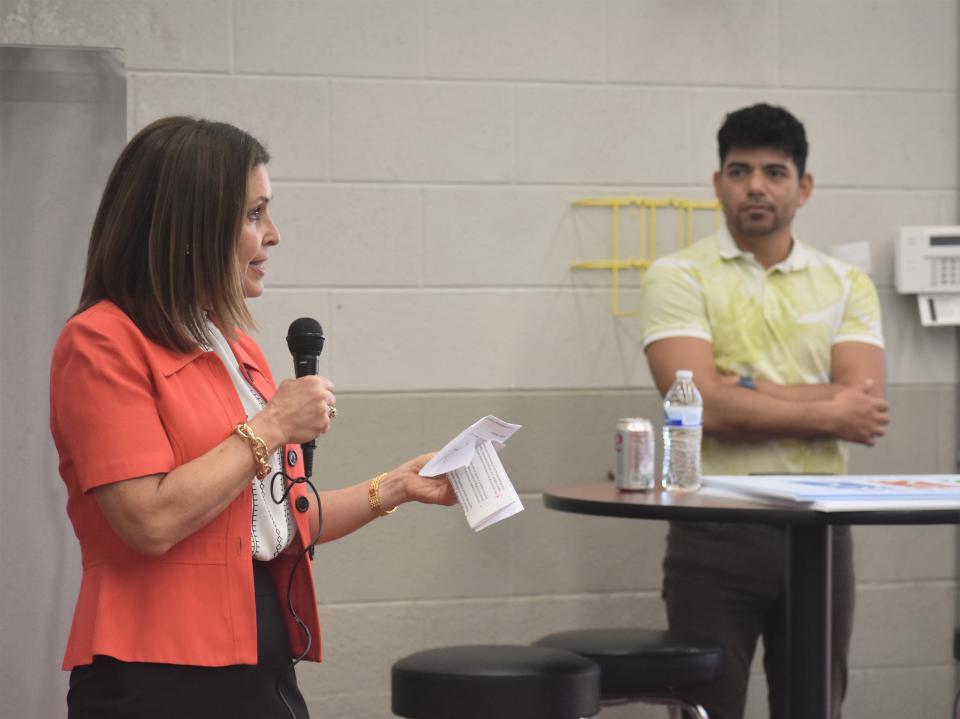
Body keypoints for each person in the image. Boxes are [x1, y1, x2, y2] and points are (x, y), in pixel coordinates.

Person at [50, 116, 458, 719]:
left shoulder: (231, 343)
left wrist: (395, 486)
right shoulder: (101, 342)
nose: (273, 235)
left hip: (259, 643)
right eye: (252, 214)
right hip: (156, 671)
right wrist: (270, 425)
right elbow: (149, 520)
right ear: (191, 227)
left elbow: (271, 523)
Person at [639, 103, 889, 719]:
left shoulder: (845, 284)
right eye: (739, 169)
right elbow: (699, 410)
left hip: (820, 527)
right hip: (713, 528)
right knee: (705, 708)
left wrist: (740, 386)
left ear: (802, 187)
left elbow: (865, 409)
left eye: (775, 172)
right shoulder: (677, 276)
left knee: (813, 707)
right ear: (718, 182)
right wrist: (823, 404)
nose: (756, 185)